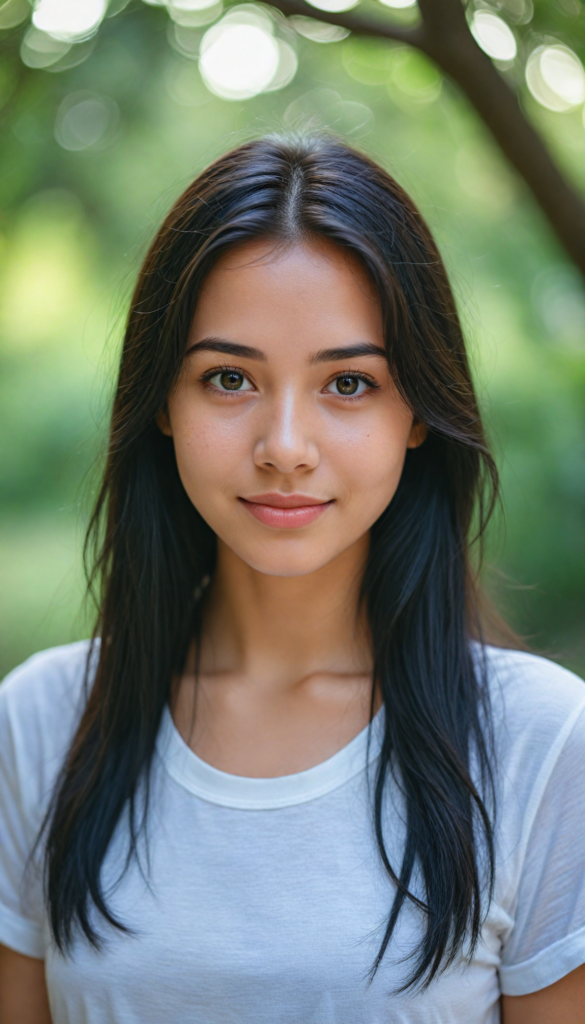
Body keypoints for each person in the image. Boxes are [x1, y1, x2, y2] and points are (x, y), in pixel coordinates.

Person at [0, 135, 584, 1024]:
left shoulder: (540, 745)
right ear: (163, 403)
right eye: (229, 378)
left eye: (347, 383)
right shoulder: (40, 725)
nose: (283, 447)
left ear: (417, 414)